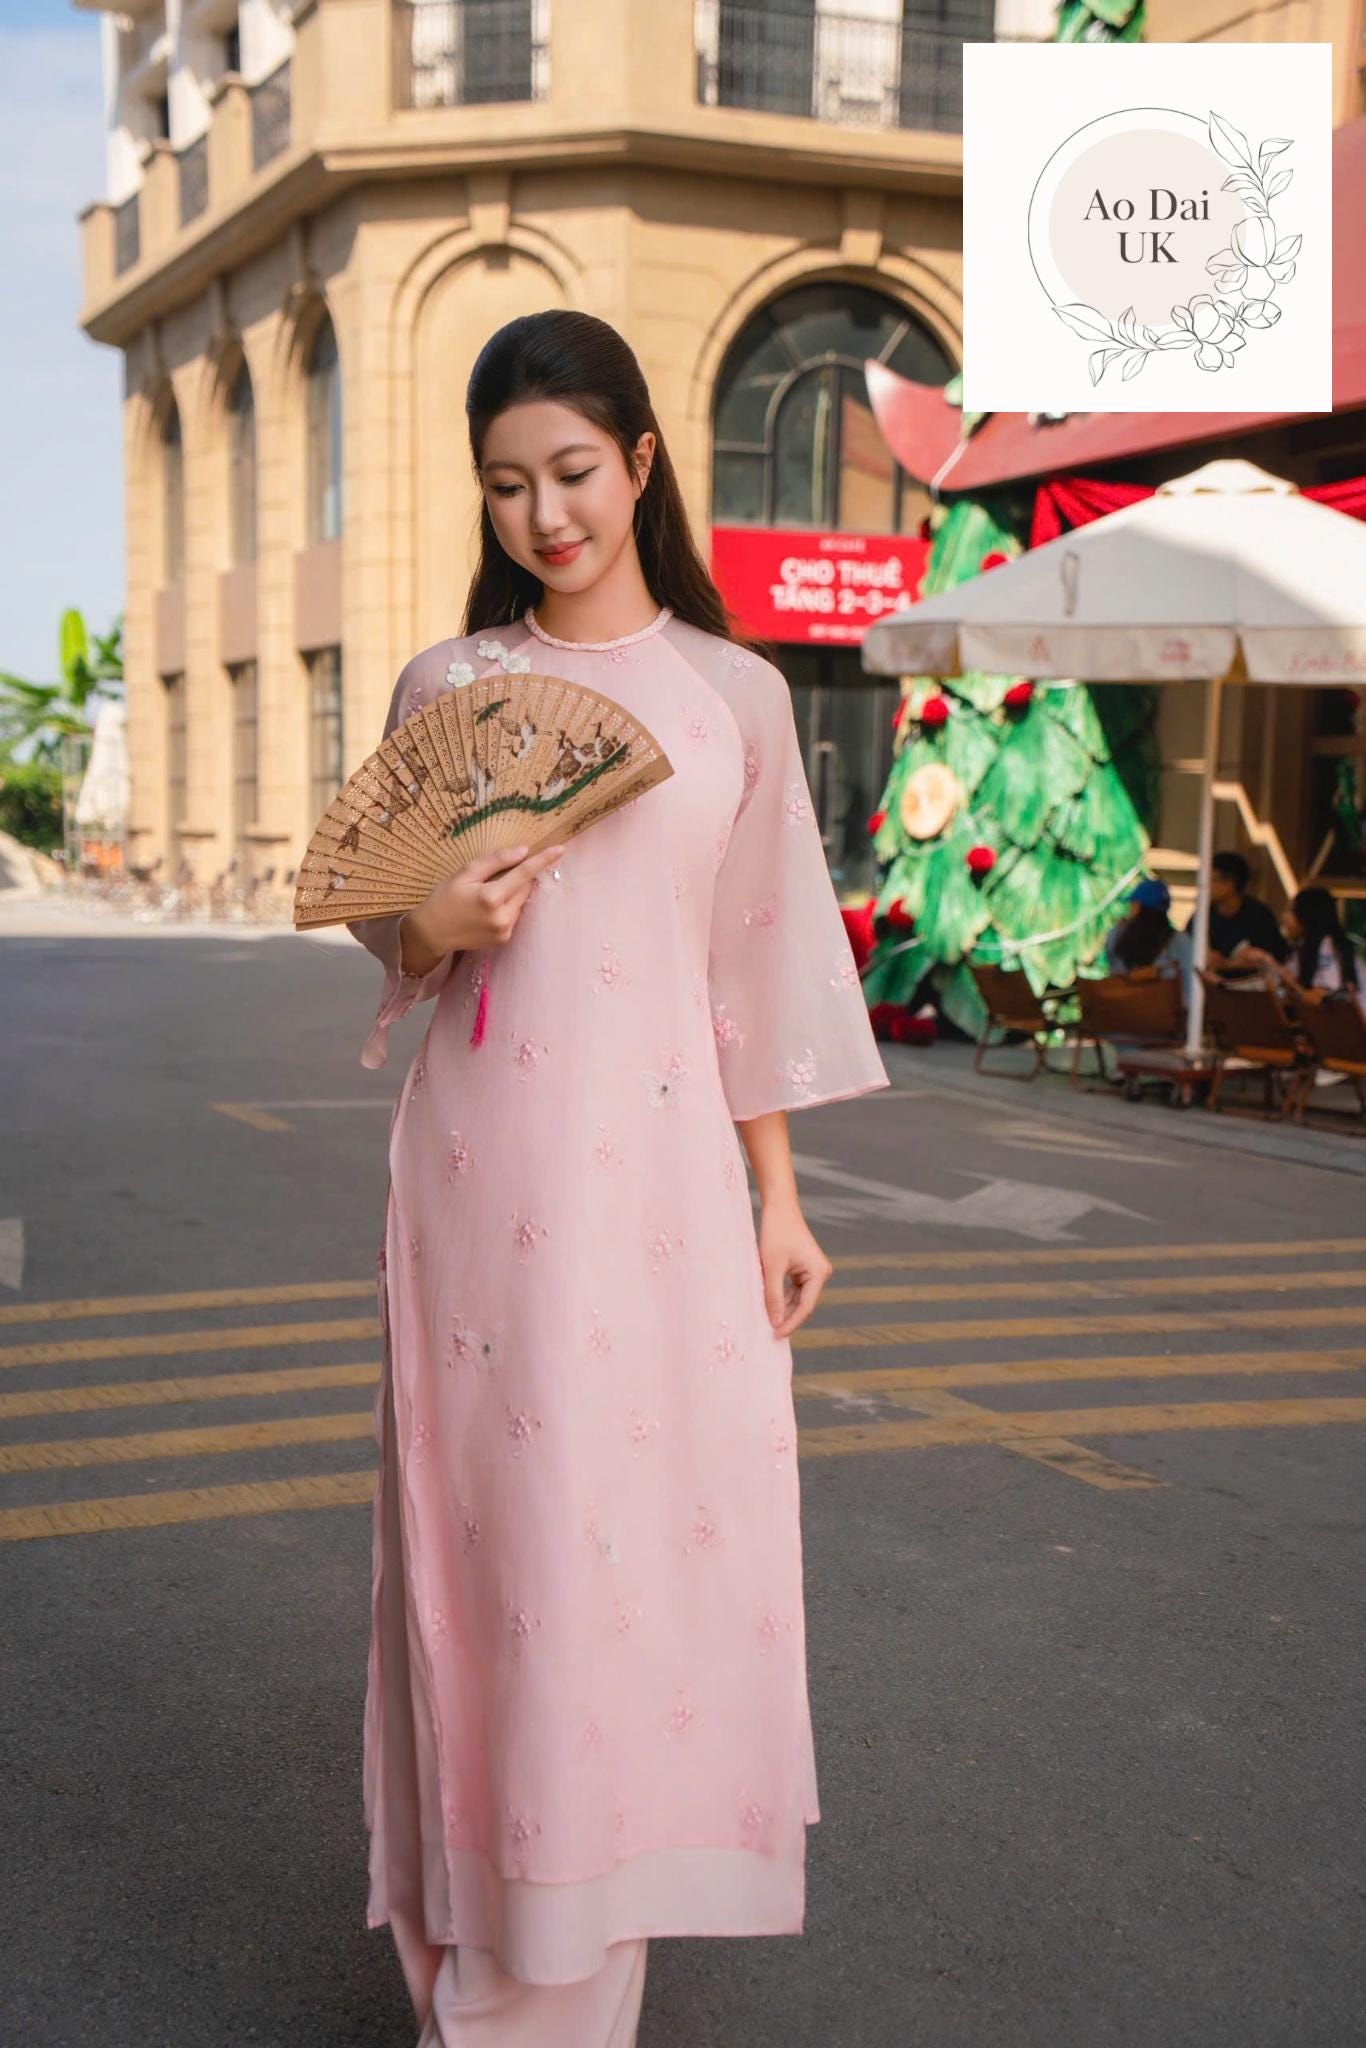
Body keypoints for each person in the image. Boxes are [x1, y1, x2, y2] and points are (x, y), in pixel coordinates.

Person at [344, 310, 891, 2045]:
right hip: (480, 1172)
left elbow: (753, 971)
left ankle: (568, 1933)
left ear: (642, 463)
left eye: (572, 471)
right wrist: (428, 917)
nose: (544, 513)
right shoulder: (448, 687)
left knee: (641, 1551)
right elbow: (378, 913)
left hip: (662, 1194)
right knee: (497, 1549)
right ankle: (490, 1948)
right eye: (506, 483)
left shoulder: (735, 698)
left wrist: (778, 1197)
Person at [1241, 884, 1366, 1008]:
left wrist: (1270, 962)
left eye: (1291, 911)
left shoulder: (1327, 947)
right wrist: (1270, 975)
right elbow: (1283, 994)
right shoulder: (1301, 950)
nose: (1284, 918)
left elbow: (1321, 998)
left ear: (1306, 916)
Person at [1186, 849, 1288, 976]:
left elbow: (1271, 961)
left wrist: (1227, 963)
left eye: (1213, 880)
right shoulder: (1202, 915)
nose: (1207, 886)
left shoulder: (1259, 916)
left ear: (1230, 883)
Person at [1104, 876, 1192, 999]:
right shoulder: (1180, 941)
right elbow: (1188, 986)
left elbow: (1113, 972)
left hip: (1122, 1006)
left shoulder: (1116, 934)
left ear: (1138, 906)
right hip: (1164, 1008)